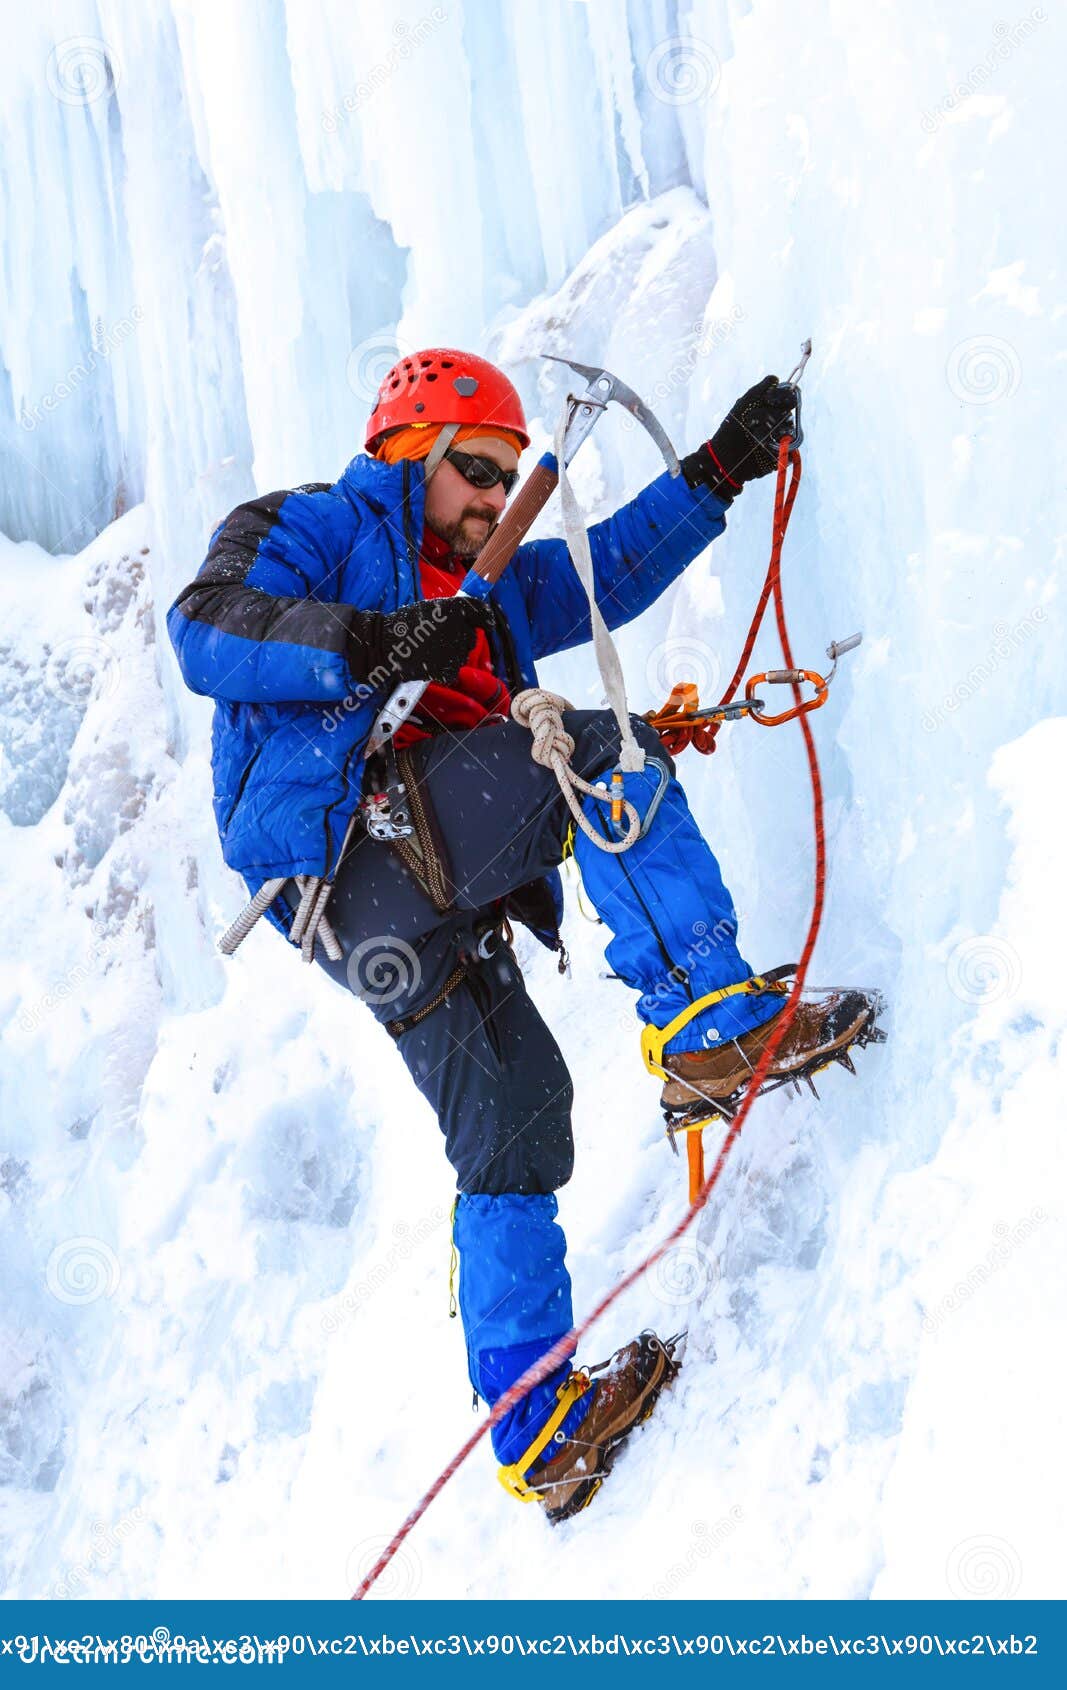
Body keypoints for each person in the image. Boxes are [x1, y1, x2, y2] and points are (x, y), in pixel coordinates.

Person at [167, 349, 879, 1522]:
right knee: (593, 752)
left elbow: (608, 571)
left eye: (508, 478)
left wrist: (716, 471)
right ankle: (705, 1019)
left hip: (394, 907)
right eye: (479, 472)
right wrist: (368, 644)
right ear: (410, 452)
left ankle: (538, 1422)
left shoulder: (488, 592)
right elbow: (209, 626)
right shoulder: (312, 526)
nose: (497, 498)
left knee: (512, 1122)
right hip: (357, 839)